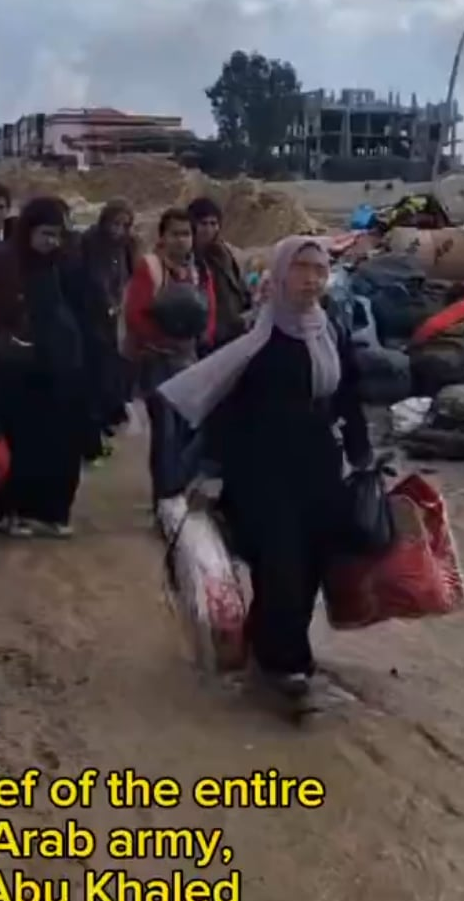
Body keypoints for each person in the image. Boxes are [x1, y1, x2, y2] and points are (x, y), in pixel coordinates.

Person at [159, 236, 372, 703]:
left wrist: (361, 453)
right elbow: (225, 404)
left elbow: (347, 396)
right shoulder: (254, 336)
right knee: (281, 565)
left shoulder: (330, 328)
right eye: (302, 269)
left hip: (317, 463)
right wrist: (210, 469)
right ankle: (286, 664)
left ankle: (273, 643)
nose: (311, 279)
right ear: (279, 275)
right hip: (263, 469)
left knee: (314, 563)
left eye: (319, 270)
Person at [0, 196, 89, 538]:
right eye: (45, 234)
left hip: (55, 375)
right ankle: (6, 513)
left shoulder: (62, 264)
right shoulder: (3, 264)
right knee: (11, 445)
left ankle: (47, 513)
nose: (51, 242)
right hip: (10, 376)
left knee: (56, 445)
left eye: (56, 235)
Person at [123, 207, 216, 506]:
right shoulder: (149, 268)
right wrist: (164, 338)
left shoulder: (199, 271)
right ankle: (164, 497)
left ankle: (180, 491)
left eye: (186, 234)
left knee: (189, 430)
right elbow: (135, 314)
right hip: (158, 360)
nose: (181, 240)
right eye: (175, 234)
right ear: (162, 237)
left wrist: (202, 339)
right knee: (165, 432)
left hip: (190, 361)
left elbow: (210, 311)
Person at [77, 198, 136, 461]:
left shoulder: (124, 248)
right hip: (94, 321)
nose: (119, 230)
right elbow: (96, 282)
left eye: (125, 225)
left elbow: (127, 279)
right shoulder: (92, 245)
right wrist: (111, 306)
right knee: (97, 376)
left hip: (116, 321)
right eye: (116, 224)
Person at [188, 197, 251, 349]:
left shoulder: (224, 254)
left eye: (213, 224)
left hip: (232, 331)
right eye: (203, 224)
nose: (209, 229)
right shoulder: (187, 257)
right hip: (203, 338)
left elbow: (238, 286)